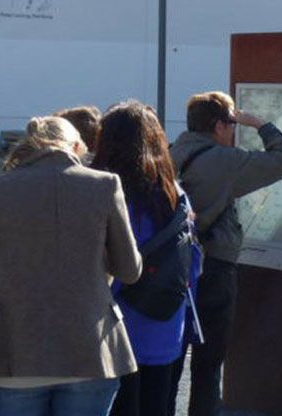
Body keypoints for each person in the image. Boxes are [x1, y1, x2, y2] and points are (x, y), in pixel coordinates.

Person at [0, 116, 142, 416]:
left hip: (11, 349)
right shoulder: (105, 185)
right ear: (75, 146)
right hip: (89, 349)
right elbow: (130, 270)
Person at [168, 91, 282, 416]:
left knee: (169, 359)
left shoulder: (169, 153)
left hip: (172, 269)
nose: (234, 130)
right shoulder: (224, 161)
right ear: (218, 126)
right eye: (232, 123)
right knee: (209, 360)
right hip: (213, 266)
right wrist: (261, 123)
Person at [93, 101, 201, 416]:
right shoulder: (175, 195)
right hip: (165, 322)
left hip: (112, 327)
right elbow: (192, 262)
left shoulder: (102, 193)